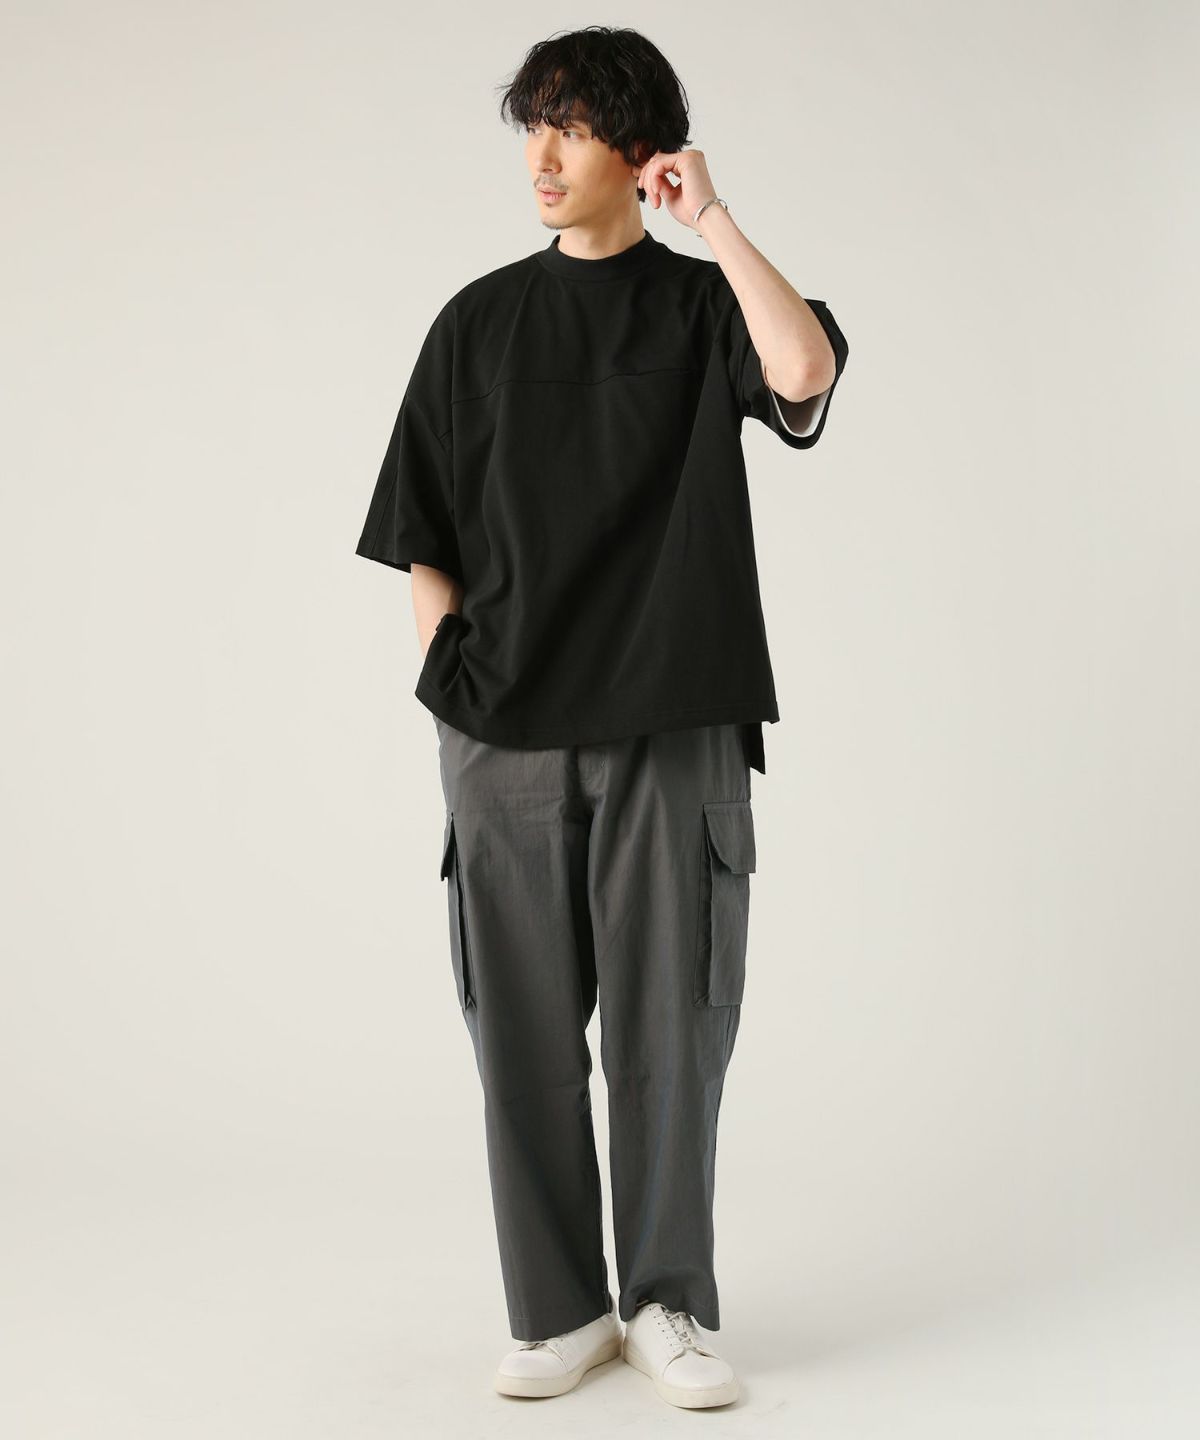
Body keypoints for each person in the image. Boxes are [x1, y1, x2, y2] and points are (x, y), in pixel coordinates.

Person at [355, 25, 848, 1410]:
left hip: (675, 720)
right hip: (503, 733)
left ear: (637, 148)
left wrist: (716, 219)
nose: (542, 155)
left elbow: (803, 374)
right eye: (534, 126)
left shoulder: (701, 309)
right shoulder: (475, 325)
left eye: (571, 128)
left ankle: (666, 1303)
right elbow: (418, 526)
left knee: (670, 1032)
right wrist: (450, 674)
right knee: (517, 1035)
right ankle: (559, 1311)